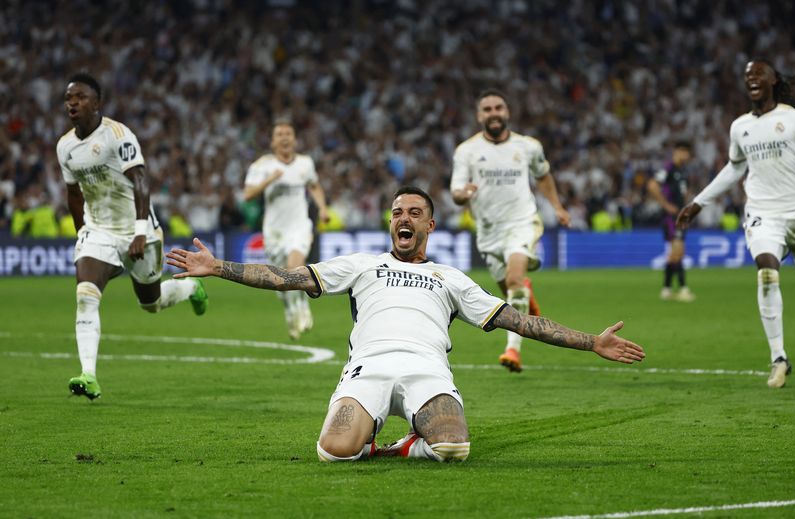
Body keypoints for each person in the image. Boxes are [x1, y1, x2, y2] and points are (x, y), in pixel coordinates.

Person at [167, 186, 645, 462]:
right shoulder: (360, 265)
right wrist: (219, 268)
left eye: (414, 212)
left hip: (426, 371)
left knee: (455, 448)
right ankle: (372, 439)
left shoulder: (450, 278)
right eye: (397, 212)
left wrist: (591, 342)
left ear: (430, 226)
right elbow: (286, 278)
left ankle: (404, 446)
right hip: (367, 369)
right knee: (332, 452)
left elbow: (518, 321)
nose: (404, 217)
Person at [57, 73, 208, 400]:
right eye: (69, 98)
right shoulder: (65, 147)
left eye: (80, 97)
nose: (72, 103)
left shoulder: (118, 135)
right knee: (85, 295)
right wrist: (82, 230)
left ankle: (190, 287)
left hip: (139, 229)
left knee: (150, 303)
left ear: (96, 103)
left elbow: (140, 180)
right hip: (99, 230)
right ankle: (88, 374)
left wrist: (140, 232)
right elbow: (73, 193)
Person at [677, 59, 795, 389]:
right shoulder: (740, 127)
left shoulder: (792, 119)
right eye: (748, 76)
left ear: (774, 80)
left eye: (759, 73)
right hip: (764, 214)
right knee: (767, 270)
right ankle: (779, 358)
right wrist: (699, 202)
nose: (752, 79)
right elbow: (734, 169)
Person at [450, 89, 571, 373]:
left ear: (507, 112)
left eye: (498, 108)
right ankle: (525, 296)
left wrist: (557, 206)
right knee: (509, 290)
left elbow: (543, 176)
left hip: (522, 221)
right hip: (489, 230)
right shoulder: (466, 151)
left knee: (515, 278)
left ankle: (512, 351)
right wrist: (463, 194)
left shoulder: (528, 146)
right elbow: (455, 191)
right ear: (480, 116)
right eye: (488, 109)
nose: (494, 113)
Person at [243, 120, 330, 340]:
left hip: (299, 226)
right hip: (274, 232)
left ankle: (302, 308)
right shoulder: (261, 166)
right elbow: (248, 195)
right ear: (272, 142)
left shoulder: (305, 163)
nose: (284, 137)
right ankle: (291, 309)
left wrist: (322, 208)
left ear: (294, 139)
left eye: (288, 133)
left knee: (294, 266)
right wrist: (270, 180)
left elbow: (314, 186)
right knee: (280, 282)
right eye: (279, 134)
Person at [647, 141, 695, 302]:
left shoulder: (682, 170)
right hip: (671, 217)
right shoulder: (668, 168)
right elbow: (652, 185)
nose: (687, 156)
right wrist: (666, 205)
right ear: (678, 151)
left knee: (676, 253)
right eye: (685, 152)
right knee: (677, 251)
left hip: (680, 216)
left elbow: (685, 192)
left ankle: (667, 289)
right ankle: (682, 288)